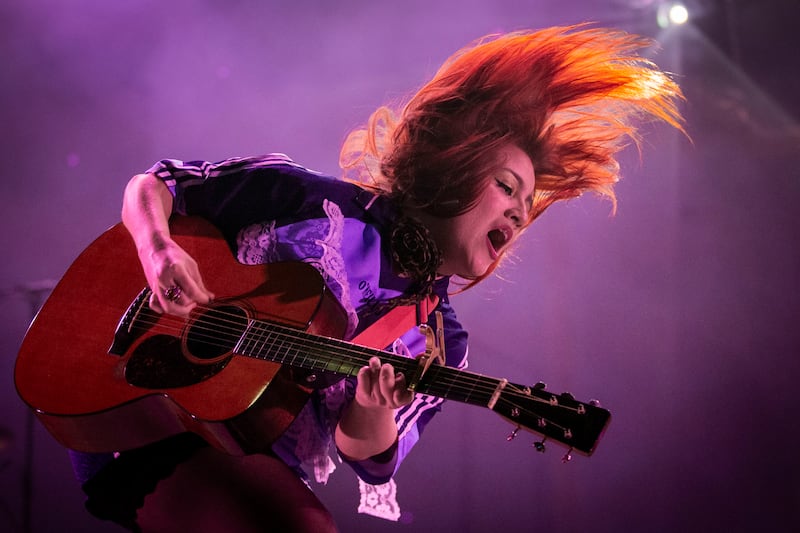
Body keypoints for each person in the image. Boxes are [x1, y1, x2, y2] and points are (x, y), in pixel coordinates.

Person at [69, 25, 683, 531]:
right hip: (144, 404)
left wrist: (370, 407)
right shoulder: (307, 197)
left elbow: (366, 455)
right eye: (506, 187)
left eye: (527, 209)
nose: (520, 214)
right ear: (455, 168)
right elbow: (157, 185)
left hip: (252, 458)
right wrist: (158, 254)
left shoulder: (441, 340)